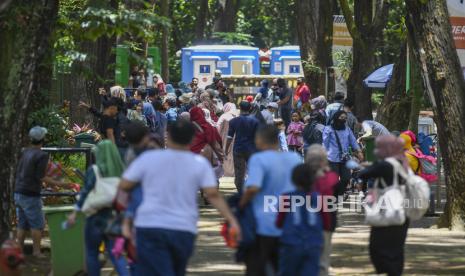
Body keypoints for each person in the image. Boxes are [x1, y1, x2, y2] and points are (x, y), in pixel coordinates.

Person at [118, 120, 241, 275]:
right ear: (192, 139)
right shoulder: (199, 164)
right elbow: (213, 195)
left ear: (168, 137)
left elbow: (124, 185)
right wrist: (231, 219)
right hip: (182, 229)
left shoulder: (149, 159)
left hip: (149, 225)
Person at [239, 125, 302, 276]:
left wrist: (241, 204)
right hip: (291, 221)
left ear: (259, 140)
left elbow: (253, 188)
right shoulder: (295, 158)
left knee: (259, 266)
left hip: (264, 223)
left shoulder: (259, 159)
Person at [67, 140, 129, 276]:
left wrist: (74, 213)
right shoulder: (122, 172)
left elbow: (84, 193)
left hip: (94, 217)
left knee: (91, 253)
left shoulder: (94, 170)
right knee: (115, 254)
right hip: (113, 218)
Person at [357, 135, 410, 276]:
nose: (376, 150)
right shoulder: (401, 160)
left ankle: (388, 271)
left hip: (388, 210)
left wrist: (366, 166)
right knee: (397, 248)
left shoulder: (385, 164)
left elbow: (364, 174)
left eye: (379, 147)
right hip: (402, 210)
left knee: (377, 247)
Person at [15, 127, 68, 257]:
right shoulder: (41, 155)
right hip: (30, 193)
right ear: (43, 139)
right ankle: (37, 252)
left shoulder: (25, 152)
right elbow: (41, 176)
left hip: (18, 192)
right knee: (37, 224)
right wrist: (60, 184)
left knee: (21, 224)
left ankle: (18, 252)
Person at [276, 164, 323, 276]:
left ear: (293, 180)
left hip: (291, 242)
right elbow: (325, 221)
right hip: (313, 242)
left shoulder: (286, 197)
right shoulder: (318, 198)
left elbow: (279, 222)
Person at [305, 144, 341, 276]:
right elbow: (337, 196)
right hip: (327, 222)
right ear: (324, 160)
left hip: (304, 222)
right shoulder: (331, 177)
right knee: (323, 259)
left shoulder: (300, 175)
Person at [323, 110, 363, 192]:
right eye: (341, 117)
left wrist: (359, 151)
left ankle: (338, 194)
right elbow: (324, 144)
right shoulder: (328, 129)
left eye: (345, 118)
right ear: (336, 117)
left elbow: (353, 141)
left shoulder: (347, 129)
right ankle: (334, 197)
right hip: (332, 158)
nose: (343, 119)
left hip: (345, 158)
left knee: (346, 178)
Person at [225, 101, 260, 193]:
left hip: (238, 149)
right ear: (250, 108)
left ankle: (240, 191)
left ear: (239, 108)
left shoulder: (233, 121)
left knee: (239, 171)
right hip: (252, 149)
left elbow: (229, 137)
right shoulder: (255, 121)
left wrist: (226, 149)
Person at [217, 103, 239, 177]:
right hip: (235, 139)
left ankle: (226, 172)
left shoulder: (223, 116)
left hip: (224, 138)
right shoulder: (237, 116)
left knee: (225, 153)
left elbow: (218, 128)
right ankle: (233, 172)